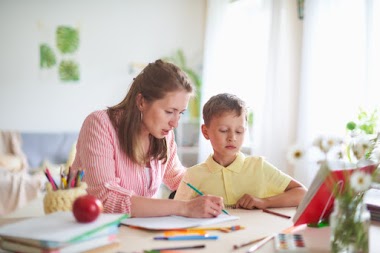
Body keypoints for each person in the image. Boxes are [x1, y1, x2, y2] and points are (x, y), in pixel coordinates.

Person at [71, 59, 224, 218]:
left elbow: (180, 178)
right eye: (169, 111)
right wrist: (183, 208)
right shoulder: (100, 124)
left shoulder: (163, 135)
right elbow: (105, 198)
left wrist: (230, 193)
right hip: (94, 232)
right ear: (141, 101)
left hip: (138, 232)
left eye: (181, 113)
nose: (175, 123)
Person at [174, 93, 307, 209]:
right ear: (205, 131)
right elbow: (176, 212)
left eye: (239, 131)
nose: (232, 138)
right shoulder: (193, 175)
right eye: (224, 130)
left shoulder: (258, 166)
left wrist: (264, 202)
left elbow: (302, 193)